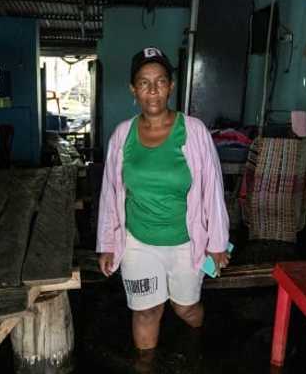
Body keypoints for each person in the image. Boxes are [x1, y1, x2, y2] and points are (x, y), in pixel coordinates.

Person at [97, 46, 230, 352]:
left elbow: (212, 188)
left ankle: (197, 344)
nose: (153, 90)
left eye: (160, 81)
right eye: (144, 82)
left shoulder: (194, 131)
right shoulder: (122, 135)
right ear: (133, 89)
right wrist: (106, 243)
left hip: (186, 241)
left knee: (185, 308)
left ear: (170, 86)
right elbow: (110, 192)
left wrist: (218, 243)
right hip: (138, 241)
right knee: (146, 311)